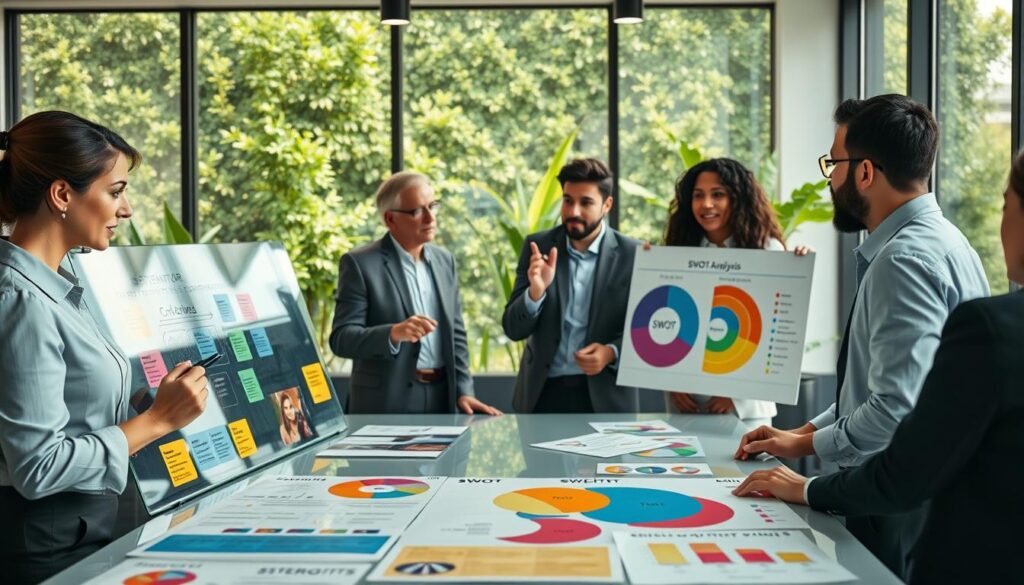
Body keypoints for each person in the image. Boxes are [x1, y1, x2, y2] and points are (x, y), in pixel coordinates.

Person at [732, 151, 1024, 585]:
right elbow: (879, 385)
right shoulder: (949, 239)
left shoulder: (903, 260)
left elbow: (895, 409)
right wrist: (801, 437)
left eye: (1006, 205)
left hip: (906, 512)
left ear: (865, 171)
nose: (831, 180)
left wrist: (806, 485)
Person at [0, 111, 209, 583]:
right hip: (45, 544)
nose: (127, 208)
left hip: (77, 531)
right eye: (115, 191)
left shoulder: (59, 287)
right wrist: (156, 421)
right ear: (62, 196)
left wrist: (148, 407)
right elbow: (37, 466)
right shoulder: (22, 299)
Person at [330, 171, 502, 416]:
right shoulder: (360, 264)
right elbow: (341, 339)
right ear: (390, 219)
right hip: (385, 402)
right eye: (417, 211)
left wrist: (465, 390)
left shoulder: (445, 261)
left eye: (433, 206)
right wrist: (393, 333)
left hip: (443, 399)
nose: (430, 217)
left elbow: (456, 333)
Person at [658, 157, 810, 428]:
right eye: (698, 196)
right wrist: (673, 385)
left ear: (738, 199)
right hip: (687, 405)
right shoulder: (679, 252)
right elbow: (672, 322)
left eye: (718, 195)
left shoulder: (768, 251)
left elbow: (776, 332)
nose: (706, 205)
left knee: (746, 472)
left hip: (747, 410)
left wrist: (736, 395)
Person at [502, 158, 640, 413]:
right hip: (541, 396)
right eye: (568, 200)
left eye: (586, 202)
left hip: (606, 397)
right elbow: (513, 329)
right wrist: (536, 293)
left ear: (606, 205)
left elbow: (647, 329)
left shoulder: (634, 254)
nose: (573, 211)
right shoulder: (538, 247)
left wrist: (611, 352)